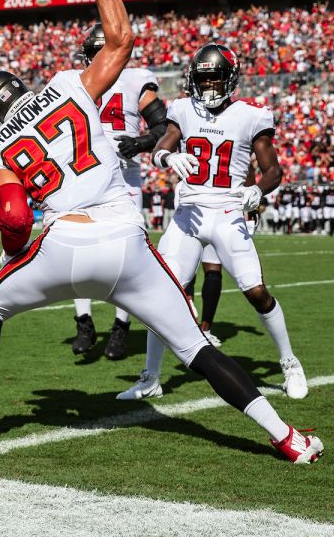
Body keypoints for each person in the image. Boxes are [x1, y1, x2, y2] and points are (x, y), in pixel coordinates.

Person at [0, 0, 323, 464]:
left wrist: (14, 259)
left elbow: (13, 215)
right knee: (196, 347)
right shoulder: (65, 85)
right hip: (127, 242)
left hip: (63, 244)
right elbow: (122, 39)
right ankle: (288, 439)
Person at [119, 43, 309, 402]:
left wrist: (257, 191)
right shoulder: (183, 110)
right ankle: (151, 376)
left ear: (230, 80)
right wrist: (165, 158)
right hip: (189, 214)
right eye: (202, 79)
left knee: (256, 291)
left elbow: (274, 170)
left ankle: (289, 361)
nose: (207, 87)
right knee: (162, 293)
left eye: (214, 79)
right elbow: (163, 144)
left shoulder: (251, 115)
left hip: (227, 213)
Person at [65, 23, 169, 361]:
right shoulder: (73, 81)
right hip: (83, 173)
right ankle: (84, 323)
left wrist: (140, 143)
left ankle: (121, 328)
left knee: (127, 254)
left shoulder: (136, 79)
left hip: (123, 176)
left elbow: (162, 127)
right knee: (75, 250)